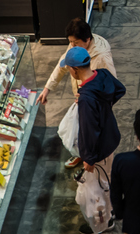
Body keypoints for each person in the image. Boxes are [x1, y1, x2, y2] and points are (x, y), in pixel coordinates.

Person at [62, 47, 126, 234]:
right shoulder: (103, 75)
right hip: (110, 137)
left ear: (74, 70)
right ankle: (111, 209)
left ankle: (104, 223)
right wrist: (103, 106)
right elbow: (120, 89)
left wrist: (88, 159)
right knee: (107, 178)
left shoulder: (87, 99)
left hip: (100, 149)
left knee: (100, 186)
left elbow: (89, 132)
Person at [40, 19, 117, 168]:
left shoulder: (101, 56)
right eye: (71, 43)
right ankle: (81, 153)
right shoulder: (76, 45)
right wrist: (47, 88)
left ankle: (92, 159)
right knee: (81, 129)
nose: (72, 46)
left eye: (75, 43)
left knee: (92, 131)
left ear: (87, 40)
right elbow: (62, 63)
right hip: (82, 97)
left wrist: (97, 102)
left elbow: (111, 86)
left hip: (94, 102)